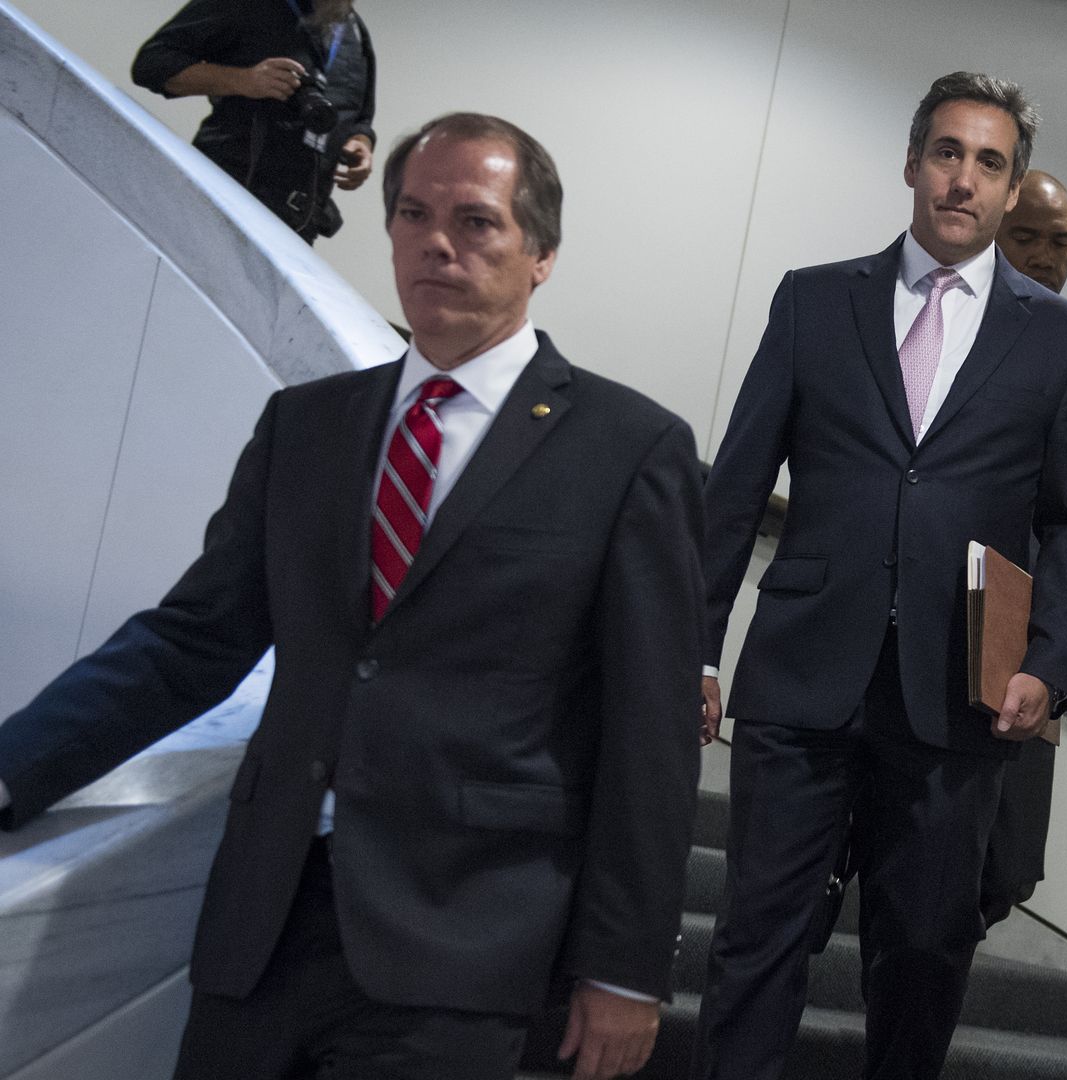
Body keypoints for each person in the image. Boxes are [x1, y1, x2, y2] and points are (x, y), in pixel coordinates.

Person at [0, 112, 705, 1080]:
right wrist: (13, 768)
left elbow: (648, 731)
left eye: (475, 220)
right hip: (264, 921)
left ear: (540, 253)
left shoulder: (630, 449)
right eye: (413, 213)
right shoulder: (308, 427)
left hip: (461, 941)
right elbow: (191, 642)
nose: (436, 242)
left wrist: (625, 969)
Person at [695, 72, 1067, 1080]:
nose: (962, 179)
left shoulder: (1064, 342)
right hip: (801, 679)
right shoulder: (812, 300)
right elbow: (736, 488)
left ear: (1012, 188)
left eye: (988, 161)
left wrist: (1052, 664)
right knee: (757, 941)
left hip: (955, 702)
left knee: (922, 957)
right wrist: (692, 650)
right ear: (911, 163)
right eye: (946, 152)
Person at [978, 168, 1067, 928]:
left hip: (1025, 647)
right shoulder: (945, 331)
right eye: (1026, 237)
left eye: (1059, 242)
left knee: (1001, 870)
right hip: (934, 621)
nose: (1043, 255)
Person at [133, 0, 377, 242]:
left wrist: (361, 142)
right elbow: (152, 63)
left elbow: (360, 116)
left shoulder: (354, 32)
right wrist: (241, 80)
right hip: (220, 200)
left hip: (297, 225)